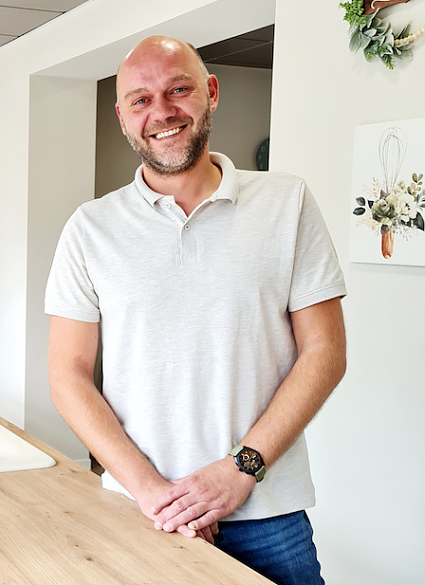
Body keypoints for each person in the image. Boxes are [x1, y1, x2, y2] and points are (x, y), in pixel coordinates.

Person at [44, 36, 346, 585]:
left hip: (267, 513)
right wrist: (153, 493)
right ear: (122, 118)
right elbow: (67, 375)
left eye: (177, 89)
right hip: (140, 512)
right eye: (140, 100)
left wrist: (240, 470)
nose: (161, 111)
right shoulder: (90, 229)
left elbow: (324, 353)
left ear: (209, 92)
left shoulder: (287, 203)